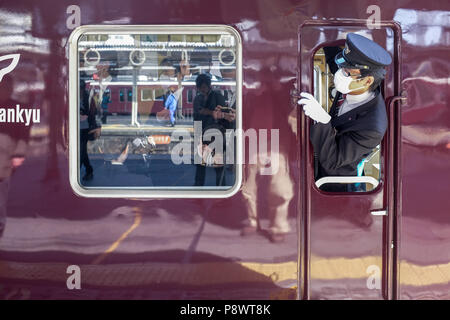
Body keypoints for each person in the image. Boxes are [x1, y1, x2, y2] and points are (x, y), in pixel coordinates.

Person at [297, 33, 391, 192]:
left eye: (347, 72)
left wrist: (323, 120)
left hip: (337, 187)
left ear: (367, 81)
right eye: (341, 68)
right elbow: (336, 61)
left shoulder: (372, 127)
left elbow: (333, 160)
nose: (340, 75)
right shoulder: (354, 84)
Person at [0, 75, 29, 238]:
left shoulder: (17, 108)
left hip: (3, 163)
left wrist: (18, 154)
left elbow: (23, 136)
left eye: (6, 87)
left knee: (0, 201)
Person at [193, 74, 234, 186]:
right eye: (201, 87)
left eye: (205, 86)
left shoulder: (217, 96)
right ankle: (198, 187)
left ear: (209, 85)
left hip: (216, 136)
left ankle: (221, 187)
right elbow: (197, 116)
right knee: (200, 166)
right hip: (202, 135)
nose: (203, 89)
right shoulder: (198, 98)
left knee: (218, 165)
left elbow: (224, 116)